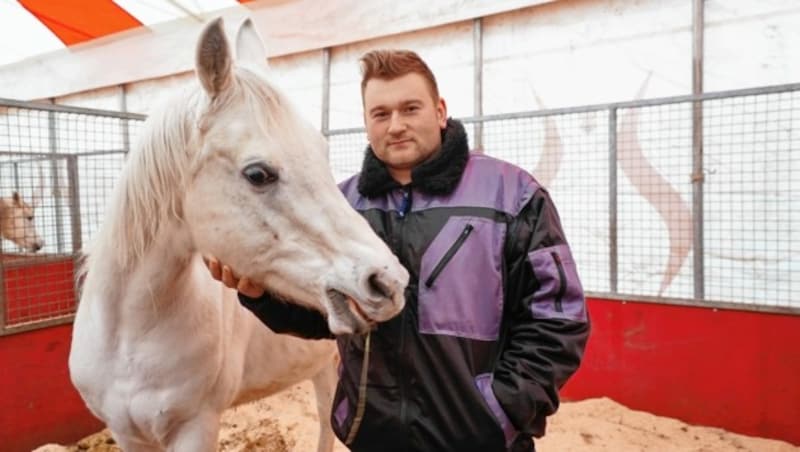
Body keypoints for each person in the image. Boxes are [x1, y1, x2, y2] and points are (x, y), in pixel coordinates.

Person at [207, 49, 589, 452]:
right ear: (366, 122)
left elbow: (559, 320)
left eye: (410, 108)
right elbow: (325, 314)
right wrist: (260, 296)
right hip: (374, 437)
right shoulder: (343, 206)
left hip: (481, 441)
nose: (396, 126)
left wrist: (502, 410)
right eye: (381, 113)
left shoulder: (512, 196)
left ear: (440, 111)